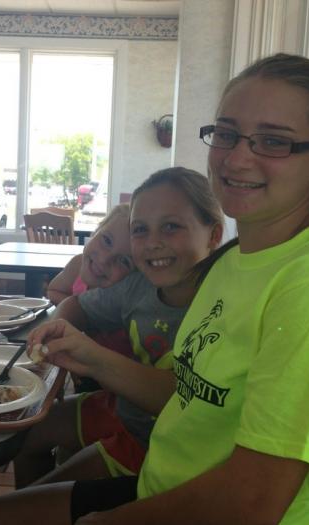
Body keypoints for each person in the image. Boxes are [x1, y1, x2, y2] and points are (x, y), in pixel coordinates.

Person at [0, 53, 309, 525]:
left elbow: (251, 504)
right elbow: (188, 395)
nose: (237, 158)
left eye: (273, 141)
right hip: (163, 487)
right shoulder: (233, 262)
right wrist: (91, 357)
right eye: (226, 134)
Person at [14, 167, 223, 489]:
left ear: (214, 235)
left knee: (38, 499)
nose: (153, 243)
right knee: (25, 431)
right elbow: (78, 305)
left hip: (164, 446)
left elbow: (185, 398)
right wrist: (55, 331)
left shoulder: (226, 301)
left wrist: (91, 357)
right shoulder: (138, 287)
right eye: (141, 229)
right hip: (126, 413)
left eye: (170, 226)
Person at [47, 203, 133, 306]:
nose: (103, 260)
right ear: (96, 231)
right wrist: (76, 308)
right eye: (107, 240)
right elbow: (53, 291)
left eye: (123, 261)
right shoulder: (77, 265)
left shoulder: (126, 296)